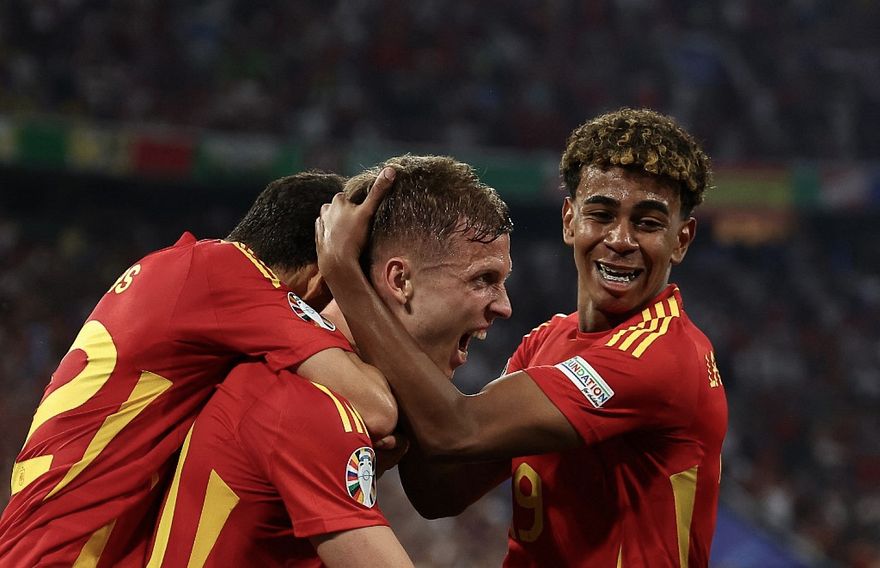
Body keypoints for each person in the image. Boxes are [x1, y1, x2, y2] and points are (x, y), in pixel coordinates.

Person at [317, 108, 728, 567]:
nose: (620, 239)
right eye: (601, 214)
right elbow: (440, 491)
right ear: (570, 221)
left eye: (648, 223)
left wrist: (344, 272)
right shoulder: (547, 342)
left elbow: (457, 430)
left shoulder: (662, 353)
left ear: (681, 240)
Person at [0, 172, 397, 567]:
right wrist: (346, 270)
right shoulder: (229, 276)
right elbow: (377, 408)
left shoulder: (181, 268)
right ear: (318, 278)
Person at [144, 155, 515, 567]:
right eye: (484, 279)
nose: (505, 306)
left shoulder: (300, 378)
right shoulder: (308, 401)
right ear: (400, 280)